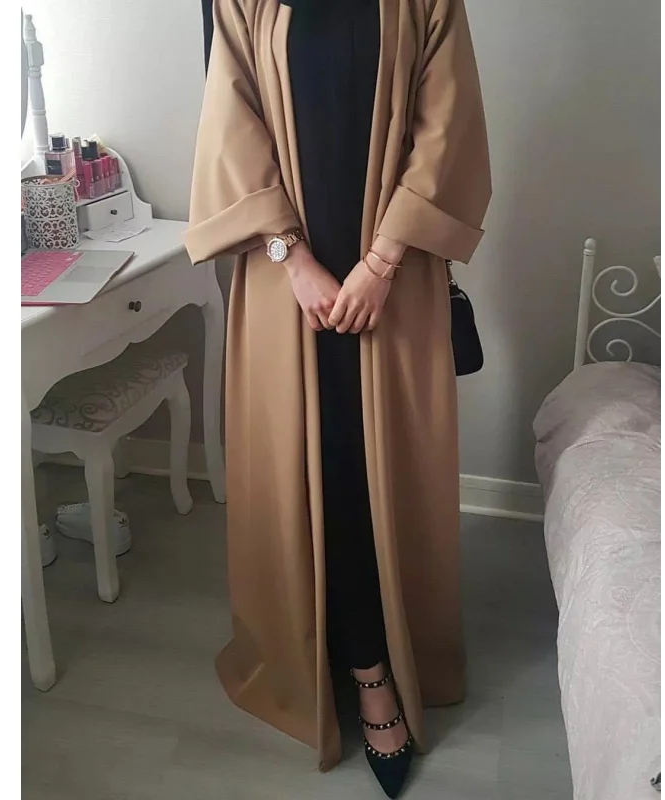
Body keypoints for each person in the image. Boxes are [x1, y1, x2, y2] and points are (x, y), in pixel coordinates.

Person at [188, 1, 490, 796]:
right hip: (284, 283)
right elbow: (232, 130)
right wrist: (294, 261)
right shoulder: (241, 3)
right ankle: (316, 653)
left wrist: (380, 265)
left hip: (394, 280)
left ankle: (378, 670)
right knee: (304, 467)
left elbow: (448, 128)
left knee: (372, 471)